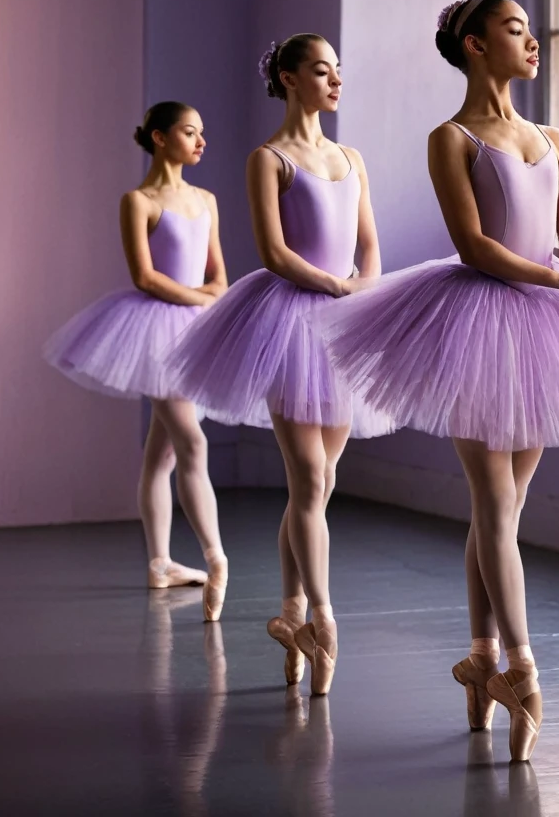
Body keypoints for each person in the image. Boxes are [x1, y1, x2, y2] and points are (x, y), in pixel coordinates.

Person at [320, 0, 559, 760]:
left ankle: (480, 660)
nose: (533, 40)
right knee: (493, 502)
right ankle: (523, 672)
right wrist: (557, 283)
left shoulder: (549, 136)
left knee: (505, 510)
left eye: (530, 28)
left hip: (545, 333)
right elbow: (474, 245)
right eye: (516, 29)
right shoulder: (451, 138)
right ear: (474, 44)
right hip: (475, 323)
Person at [165, 35, 390, 695]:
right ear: (289, 79)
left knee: (316, 490)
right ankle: (322, 618)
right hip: (289, 320)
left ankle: (291, 612)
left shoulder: (351, 158)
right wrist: (335, 287)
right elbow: (273, 250)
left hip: (346, 321)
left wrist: (363, 290)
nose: (335, 80)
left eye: (338, 70)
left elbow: (370, 244)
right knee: (310, 474)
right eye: (321, 70)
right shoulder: (269, 158)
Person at [44, 102, 229, 621]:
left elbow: (219, 275)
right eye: (189, 132)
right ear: (158, 137)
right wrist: (202, 300)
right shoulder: (139, 201)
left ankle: (160, 562)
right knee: (192, 439)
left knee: (163, 452)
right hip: (153, 330)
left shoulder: (207, 200)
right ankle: (217, 557)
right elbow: (145, 277)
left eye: (202, 132)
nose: (200, 141)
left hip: (194, 325)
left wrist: (209, 300)